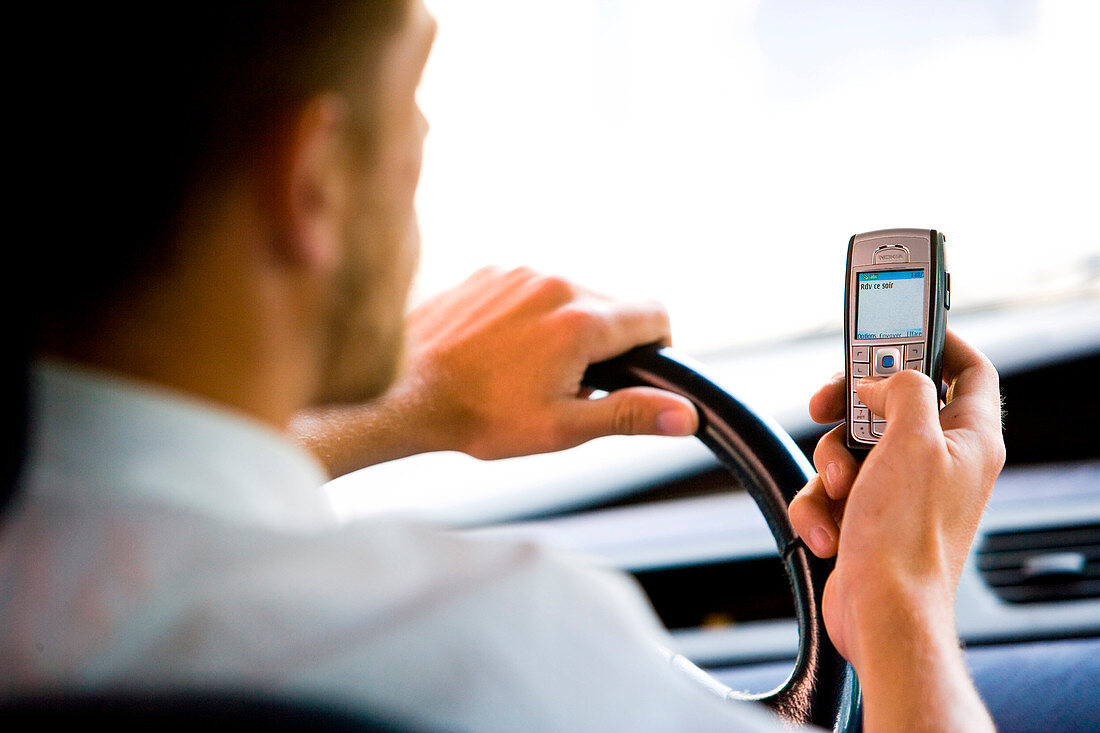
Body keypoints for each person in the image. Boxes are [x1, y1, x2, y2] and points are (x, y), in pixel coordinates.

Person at [2, 2, 1005, 731]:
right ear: (308, 183)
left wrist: (402, 402)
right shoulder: (498, 646)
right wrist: (902, 598)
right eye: (408, 91)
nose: (425, 136)